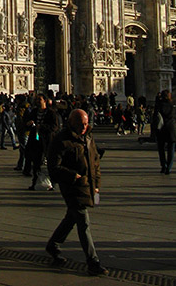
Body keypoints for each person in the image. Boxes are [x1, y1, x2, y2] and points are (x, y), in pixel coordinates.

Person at [45, 108, 109, 277]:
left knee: (71, 218)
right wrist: (72, 175)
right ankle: (93, 262)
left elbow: (95, 162)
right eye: (80, 124)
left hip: (87, 185)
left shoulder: (88, 137)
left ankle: (53, 245)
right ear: (71, 123)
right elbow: (54, 167)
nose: (84, 127)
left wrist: (96, 184)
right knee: (83, 222)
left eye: (86, 124)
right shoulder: (61, 140)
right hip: (71, 186)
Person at [25, 94, 58, 189]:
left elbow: (55, 127)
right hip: (36, 140)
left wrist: (42, 127)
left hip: (47, 141)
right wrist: (28, 123)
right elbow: (26, 122)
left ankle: (52, 183)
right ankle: (34, 182)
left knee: (50, 163)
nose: (37, 101)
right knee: (36, 163)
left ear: (45, 101)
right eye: (36, 99)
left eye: (39, 99)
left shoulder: (51, 113)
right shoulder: (34, 112)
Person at [152, 90, 176, 174]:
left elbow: (155, 116)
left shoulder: (159, 104)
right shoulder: (173, 105)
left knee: (161, 149)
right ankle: (169, 167)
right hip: (171, 129)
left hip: (161, 128)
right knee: (171, 149)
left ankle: (163, 166)